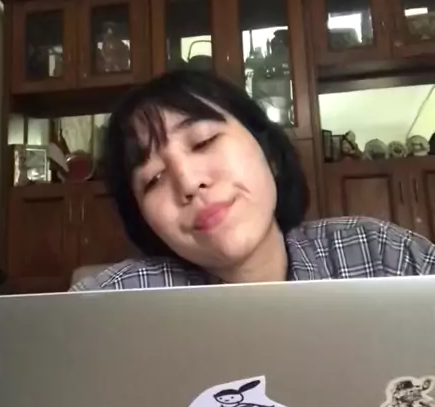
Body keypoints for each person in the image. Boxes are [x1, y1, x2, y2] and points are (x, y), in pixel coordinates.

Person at [70, 69, 435, 291]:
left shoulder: (381, 255)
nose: (189, 182)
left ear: (269, 152)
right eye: (153, 179)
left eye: (203, 141)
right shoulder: (110, 306)